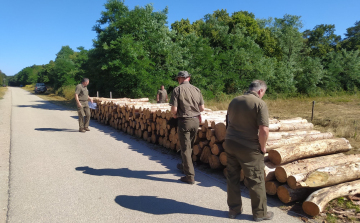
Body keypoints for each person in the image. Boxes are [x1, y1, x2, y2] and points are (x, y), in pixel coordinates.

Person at [225, 80, 273, 221]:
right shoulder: (259, 104)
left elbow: (228, 122)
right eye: (263, 93)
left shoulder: (234, 100)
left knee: (232, 178)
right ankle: (260, 213)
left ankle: (233, 210)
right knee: (256, 180)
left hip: (230, 143)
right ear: (260, 91)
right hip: (248, 148)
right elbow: (263, 130)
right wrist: (263, 147)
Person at [170, 71, 204, 184]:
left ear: (180, 79)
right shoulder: (197, 89)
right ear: (188, 78)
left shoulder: (177, 90)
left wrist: (174, 115)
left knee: (185, 148)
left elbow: (174, 110)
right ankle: (185, 166)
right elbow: (202, 108)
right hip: (195, 121)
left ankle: (189, 176)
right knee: (189, 146)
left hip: (184, 121)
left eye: (178, 78)